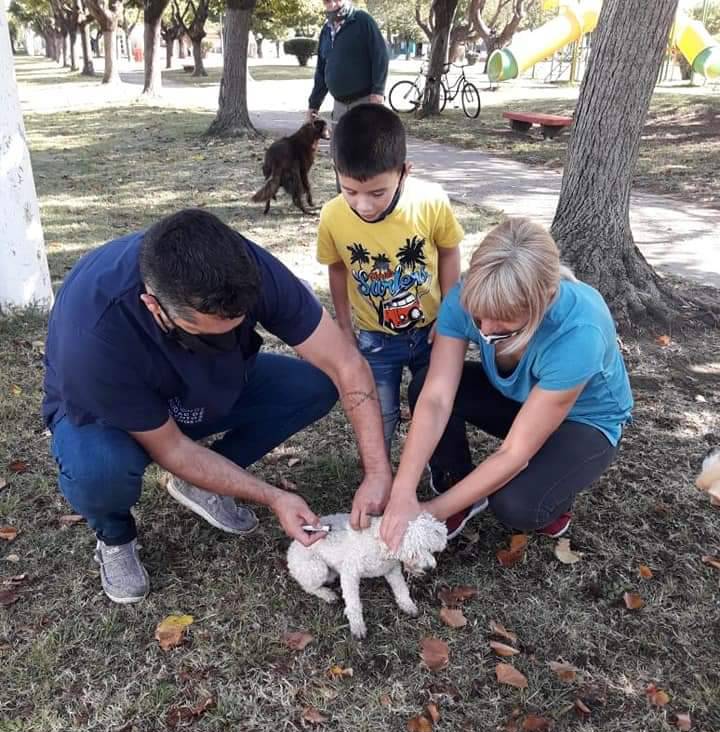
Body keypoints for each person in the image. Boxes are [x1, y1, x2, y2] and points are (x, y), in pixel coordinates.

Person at [43, 209, 391, 604]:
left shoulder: (244, 267)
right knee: (99, 470)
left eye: (235, 328)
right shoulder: (93, 336)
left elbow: (345, 363)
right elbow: (170, 447)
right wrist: (273, 496)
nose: (223, 342)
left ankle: (200, 481)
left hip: (204, 386)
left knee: (313, 386)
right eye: (204, 336)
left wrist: (378, 471)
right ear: (153, 306)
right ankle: (115, 534)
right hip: (108, 413)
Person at [380, 217, 634, 549]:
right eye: (478, 315)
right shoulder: (465, 295)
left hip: (583, 422)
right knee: (425, 383)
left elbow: (515, 451)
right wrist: (402, 492)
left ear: (544, 300)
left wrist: (429, 513)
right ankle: (459, 483)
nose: (485, 330)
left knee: (517, 505)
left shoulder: (580, 333)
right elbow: (437, 398)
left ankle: (554, 489)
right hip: (521, 399)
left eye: (503, 322)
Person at [316, 103, 464, 450]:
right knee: (378, 416)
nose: (363, 205)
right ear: (336, 172)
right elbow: (336, 267)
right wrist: (343, 325)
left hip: (431, 333)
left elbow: (449, 250)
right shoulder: (332, 216)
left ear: (404, 171)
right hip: (375, 340)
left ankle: (441, 472)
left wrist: (450, 312)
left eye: (377, 193)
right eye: (350, 191)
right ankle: (377, 475)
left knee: (437, 404)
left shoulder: (430, 201)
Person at [307, 0, 389, 127]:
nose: (332, 3)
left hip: (364, 102)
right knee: (340, 146)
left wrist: (378, 91)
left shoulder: (363, 20)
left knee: (364, 146)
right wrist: (314, 104)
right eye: (327, 0)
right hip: (339, 105)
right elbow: (321, 71)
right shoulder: (325, 31)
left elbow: (380, 55)